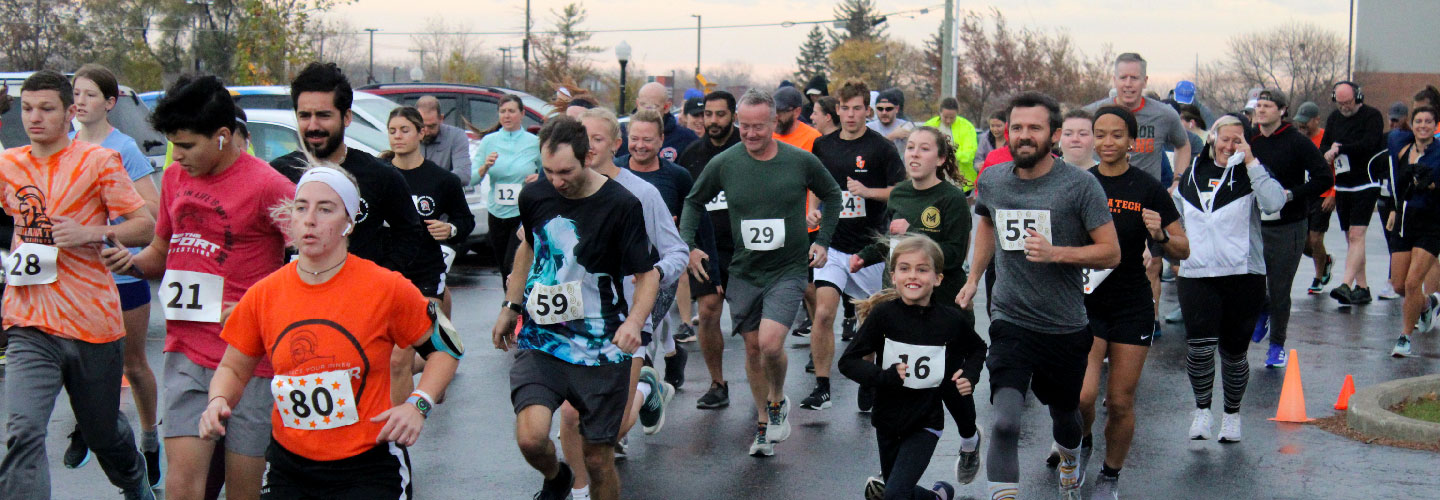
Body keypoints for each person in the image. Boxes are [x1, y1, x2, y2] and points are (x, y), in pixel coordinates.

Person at [195, 165, 460, 499]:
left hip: (369, 465)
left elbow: (448, 346)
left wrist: (418, 403)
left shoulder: (387, 287)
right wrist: (218, 401)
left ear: (349, 222)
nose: (310, 219)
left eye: (325, 209)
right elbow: (233, 367)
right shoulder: (264, 294)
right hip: (289, 466)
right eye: (301, 207)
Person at [95, 73, 296, 500]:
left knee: (243, 492)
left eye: (187, 146)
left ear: (222, 136)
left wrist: (262, 308)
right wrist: (128, 263)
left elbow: (314, 257)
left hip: (249, 358)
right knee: (183, 489)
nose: (177, 156)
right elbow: (161, 252)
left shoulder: (269, 185)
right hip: (187, 349)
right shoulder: (173, 180)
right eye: (172, 145)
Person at [955, 91, 1119, 500]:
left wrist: (1056, 253)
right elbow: (988, 226)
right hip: (1010, 319)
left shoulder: (1080, 186)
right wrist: (974, 277)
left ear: (1055, 135)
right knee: (1005, 422)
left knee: (1066, 415)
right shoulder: (992, 180)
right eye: (1017, 128)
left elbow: (1111, 252)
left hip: (1064, 326)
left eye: (1034, 128)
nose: (1024, 136)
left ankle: (1070, 455)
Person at [0, 70, 156, 500]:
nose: (35, 117)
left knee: (102, 432)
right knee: (23, 431)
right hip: (29, 321)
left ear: (70, 112)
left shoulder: (98, 161)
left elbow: (145, 226)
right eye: (27, 108)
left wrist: (93, 233)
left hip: (92, 323)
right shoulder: (9, 164)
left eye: (47, 108)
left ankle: (135, 481)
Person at [492, 117, 660, 500]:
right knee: (532, 439)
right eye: (548, 171)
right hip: (543, 338)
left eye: (565, 171)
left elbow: (646, 275)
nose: (556, 181)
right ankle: (557, 477)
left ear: (588, 157)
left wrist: (635, 321)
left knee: (599, 459)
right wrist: (510, 305)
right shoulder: (534, 196)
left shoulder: (621, 204)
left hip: (601, 346)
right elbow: (530, 248)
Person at [270, 63, 447, 408]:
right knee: (308, 421)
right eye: (304, 115)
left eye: (324, 115)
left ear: (346, 117)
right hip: (295, 314)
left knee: (367, 417)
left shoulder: (379, 176)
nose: (313, 125)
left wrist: (382, 280)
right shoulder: (278, 174)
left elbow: (412, 233)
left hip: (361, 320)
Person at [679, 88, 842, 456]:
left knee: (770, 343)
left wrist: (823, 241)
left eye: (759, 127)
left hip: (788, 268)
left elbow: (833, 195)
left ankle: (778, 398)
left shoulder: (799, 161)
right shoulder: (726, 163)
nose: (751, 134)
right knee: (753, 350)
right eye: (745, 127)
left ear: (774, 124)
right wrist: (688, 244)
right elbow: (693, 201)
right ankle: (764, 424)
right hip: (745, 270)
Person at [555, 108, 689, 499]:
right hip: (574, 319)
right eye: (583, 138)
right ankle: (580, 491)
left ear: (615, 145)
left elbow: (676, 250)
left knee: (607, 431)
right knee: (568, 413)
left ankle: (649, 390)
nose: (588, 147)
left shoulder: (641, 193)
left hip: (627, 319)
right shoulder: (564, 188)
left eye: (597, 139)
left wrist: (653, 273)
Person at [851, 127, 981, 484]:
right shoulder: (901, 193)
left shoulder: (952, 199)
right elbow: (890, 242)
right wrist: (862, 256)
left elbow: (954, 255)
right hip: (899, 300)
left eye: (924, 149)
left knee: (948, 384)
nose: (914, 154)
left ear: (940, 159)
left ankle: (969, 438)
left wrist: (916, 235)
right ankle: (896, 469)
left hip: (943, 305)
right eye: (910, 147)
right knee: (901, 379)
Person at [1072, 107, 1189, 500]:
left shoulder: (1147, 187)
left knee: (1120, 401)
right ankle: (1084, 442)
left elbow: (1182, 250)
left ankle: (1110, 475)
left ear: (1132, 141)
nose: (1107, 143)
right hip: (1085, 303)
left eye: (1116, 135)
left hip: (1130, 304)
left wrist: (1159, 235)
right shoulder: (1080, 184)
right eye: (1099, 134)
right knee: (1084, 397)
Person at [63, 64, 164, 485]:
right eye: (76, 93)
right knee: (75, 360)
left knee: (133, 364)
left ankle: (149, 439)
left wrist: (107, 222)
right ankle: (83, 428)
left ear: (109, 103)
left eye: (89, 95)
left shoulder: (124, 148)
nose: (80, 101)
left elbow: (154, 214)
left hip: (121, 273)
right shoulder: (61, 147)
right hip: (74, 275)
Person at [840, 236, 983, 500]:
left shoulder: (950, 320)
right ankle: (937, 497)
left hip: (925, 422)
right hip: (886, 420)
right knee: (899, 493)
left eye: (922, 269)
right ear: (893, 276)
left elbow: (977, 348)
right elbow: (848, 362)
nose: (912, 276)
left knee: (894, 495)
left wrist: (970, 375)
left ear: (938, 278)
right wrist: (884, 376)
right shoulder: (883, 316)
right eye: (904, 269)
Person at [1176, 114, 1286, 444]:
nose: (1230, 145)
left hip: (1243, 274)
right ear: (1212, 137)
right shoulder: (1193, 171)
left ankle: (1232, 416)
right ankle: (1202, 411)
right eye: (1225, 138)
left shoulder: (1252, 172)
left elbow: (1275, 203)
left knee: (1234, 352)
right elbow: (1178, 214)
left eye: (1238, 140)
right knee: (1198, 348)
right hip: (1196, 272)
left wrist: (1251, 161)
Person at [802, 80, 905, 412]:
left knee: (870, 320)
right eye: (844, 108)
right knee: (823, 313)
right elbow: (816, 185)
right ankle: (822, 386)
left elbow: (900, 192)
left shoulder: (881, 148)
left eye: (856, 108)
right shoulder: (822, 145)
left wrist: (867, 192)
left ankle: (868, 378)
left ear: (867, 111)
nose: (849, 114)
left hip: (870, 246)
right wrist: (813, 209)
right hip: (832, 243)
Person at [1085, 53, 1192, 336]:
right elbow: (1070, 136)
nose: (1129, 84)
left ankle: (1149, 320)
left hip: (1147, 200)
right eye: (1123, 77)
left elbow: (1184, 145)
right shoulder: (1095, 111)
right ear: (1114, 79)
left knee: (1151, 264)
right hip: (1102, 193)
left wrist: (1177, 181)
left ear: (1145, 80)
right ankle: (1096, 321)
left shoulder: (1164, 114)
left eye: (1135, 78)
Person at [1247, 90, 1332, 367]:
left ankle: (1276, 346)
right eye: (1258, 106)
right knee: (1252, 283)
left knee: (1280, 288)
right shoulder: (1250, 141)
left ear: (1282, 110)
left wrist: (1292, 194)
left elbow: (1322, 177)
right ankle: (1262, 308)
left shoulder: (1297, 141)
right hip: (1256, 224)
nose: (1261, 110)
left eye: (1268, 106)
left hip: (1290, 224)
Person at [675, 90, 741, 410]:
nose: (712, 121)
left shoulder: (748, 149)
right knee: (709, 311)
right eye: (707, 115)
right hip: (706, 249)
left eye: (720, 115)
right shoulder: (691, 155)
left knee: (753, 325)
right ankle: (717, 383)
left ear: (733, 116)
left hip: (746, 249)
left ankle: (767, 385)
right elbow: (684, 201)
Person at [383, 106, 475, 316]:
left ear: (421, 132)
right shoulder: (379, 175)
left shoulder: (442, 180)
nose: (398, 136)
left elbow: (465, 220)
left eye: (405, 130)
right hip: (386, 271)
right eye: (392, 131)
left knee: (420, 338)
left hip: (426, 270)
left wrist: (450, 229)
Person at [1321, 81, 1387, 305]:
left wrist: (1341, 148)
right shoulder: (1334, 119)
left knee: (1357, 235)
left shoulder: (1372, 116)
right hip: (1343, 184)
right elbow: (1325, 145)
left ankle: (1346, 284)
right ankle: (1363, 287)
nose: (1344, 107)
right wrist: (1328, 153)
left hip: (1366, 182)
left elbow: (1370, 143)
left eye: (1348, 102)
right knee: (1351, 238)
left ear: (1358, 97)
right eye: (1340, 103)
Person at [1385, 106, 1440, 357]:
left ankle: (1405, 337)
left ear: (1435, 125)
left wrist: (1432, 185)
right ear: (1412, 124)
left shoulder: (1438, 152)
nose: (1423, 126)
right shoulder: (1402, 146)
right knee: (1398, 285)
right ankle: (1428, 303)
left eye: (1429, 122)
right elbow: (1398, 184)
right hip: (1405, 220)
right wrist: (1395, 210)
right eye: (1419, 121)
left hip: (1432, 222)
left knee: (1412, 283)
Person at [472, 94, 540, 288]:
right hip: (497, 211)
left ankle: (517, 310)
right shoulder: (489, 141)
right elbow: (473, 177)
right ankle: (510, 308)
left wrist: (539, 177)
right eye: (503, 111)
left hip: (522, 213)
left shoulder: (533, 142)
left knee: (513, 264)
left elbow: (548, 172)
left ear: (522, 114)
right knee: (503, 266)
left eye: (511, 111)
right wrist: (485, 166)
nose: (507, 116)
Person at [1293, 101, 1336, 295]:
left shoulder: (1325, 138)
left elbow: (1337, 170)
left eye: (1306, 122)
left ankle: (1318, 278)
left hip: (1323, 194)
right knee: (1304, 243)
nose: (1302, 126)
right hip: (1303, 194)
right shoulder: (1295, 139)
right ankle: (1325, 260)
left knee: (1316, 238)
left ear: (1316, 120)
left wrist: (1333, 194)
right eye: (1299, 122)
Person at [618, 82, 699, 162]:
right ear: (637, 104)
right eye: (643, 104)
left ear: (666, 107)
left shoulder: (685, 138)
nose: (647, 110)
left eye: (654, 106)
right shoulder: (620, 134)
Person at [921, 98, 980, 186]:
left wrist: (948, 155)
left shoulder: (967, 127)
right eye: (945, 117)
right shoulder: (929, 126)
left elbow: (969, 154)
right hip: (934, 178)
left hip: (961, 180)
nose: (948, 121)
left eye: (952, 118)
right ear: (940, 112)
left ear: (957, 113)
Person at [415, 95, 472, 186]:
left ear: (441, 119)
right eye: (422, 126)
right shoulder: (408, 136)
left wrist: (430, 180)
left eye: (431, 126)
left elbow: (464, 175)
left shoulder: (456, 136)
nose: (426, 131)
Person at [773, 86, 822, 152]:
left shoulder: (813, 138)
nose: (776, 116)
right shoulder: (765, 136)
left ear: (796, 112)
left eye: (781, 111)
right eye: (773, 111)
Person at [974, 110, 1007, 178]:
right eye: (992, 126)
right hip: (988, 177)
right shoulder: (984, 138)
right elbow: (977, 160)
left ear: (1006, 125)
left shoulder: (1012, 140)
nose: (995, 129)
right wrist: (980, 165)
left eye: (998, 126)